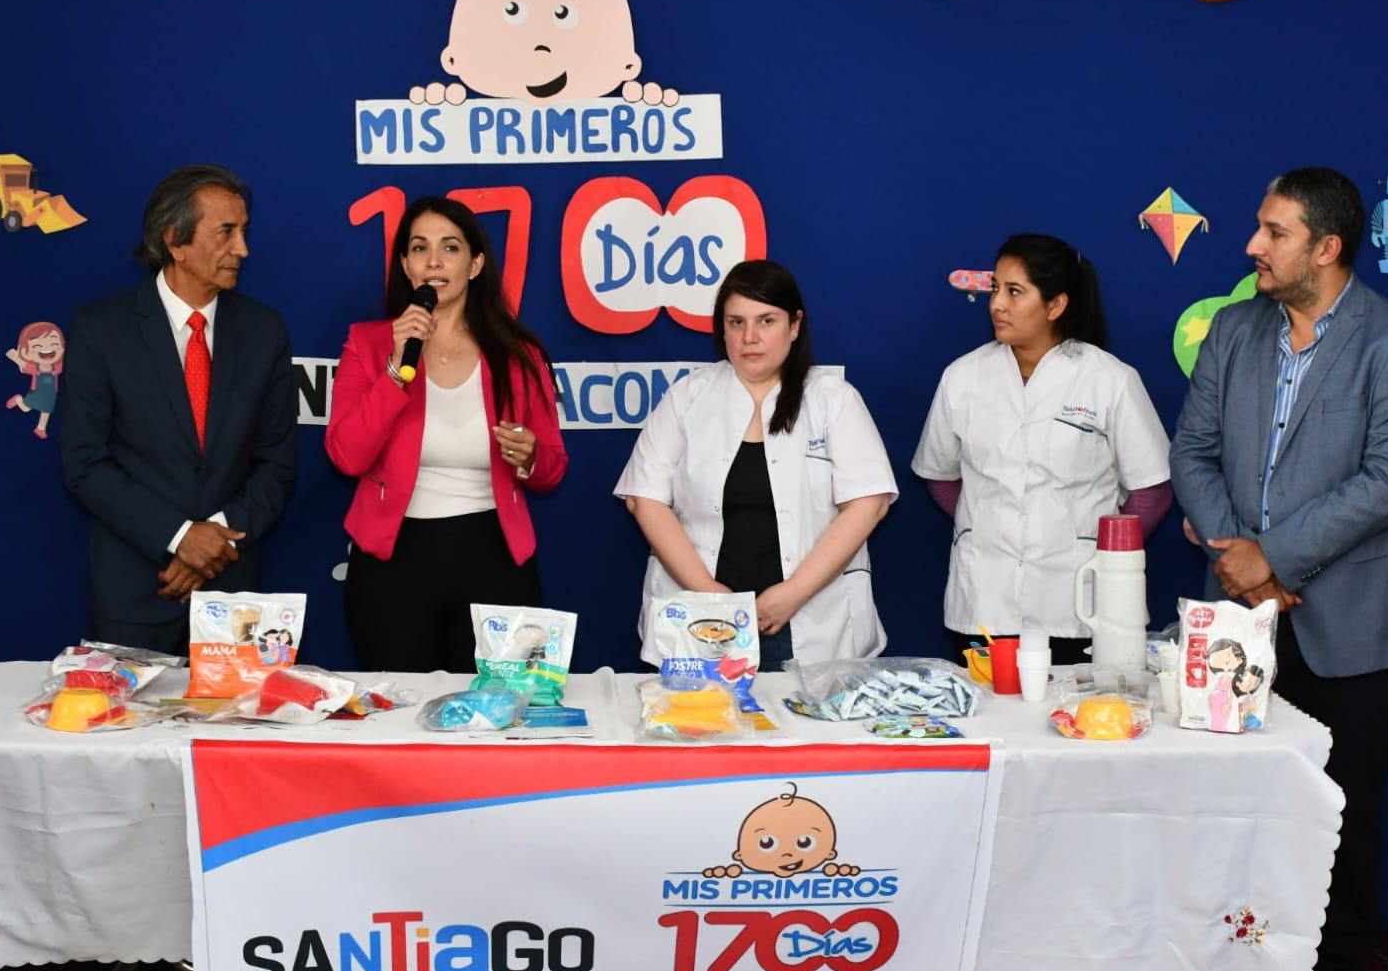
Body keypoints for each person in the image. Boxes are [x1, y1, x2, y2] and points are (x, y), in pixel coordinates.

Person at [1165, 167, 1388, 971]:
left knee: (1341, 810)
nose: (1252, 245)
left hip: (1352, 625)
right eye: (1258, 227)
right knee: (1230, 805)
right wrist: (1239, 561)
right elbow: (1192, 451)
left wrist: (1274, 556)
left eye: (1273, 232)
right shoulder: (1233, 329)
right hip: (1237, 618)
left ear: (1325, 248)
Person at [60, 164, 298, 655]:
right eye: (226, 232)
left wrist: (213, 544)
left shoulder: (264, 331)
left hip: (233, 597)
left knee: (235, 712)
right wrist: (179, 537)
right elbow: (85, 464)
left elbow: (276, 464)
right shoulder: (101, 329)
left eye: (244, 231)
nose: (243, 249)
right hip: (136, 592)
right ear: (175, 240)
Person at [614, 259, 896, 671]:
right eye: (736, 323)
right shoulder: (687, 397)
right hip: (702, 616)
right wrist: (709, 594)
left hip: (809, 617)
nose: (750, 337)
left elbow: (869, 504)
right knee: (700, 713)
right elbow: (645, 499)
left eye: (766, 320)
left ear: (794, 325)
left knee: (804, 714)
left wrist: (793, 594)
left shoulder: (833, 399)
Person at [326, 195, 565, 672]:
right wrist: (396, 368)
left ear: (475, 265)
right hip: (393, 563)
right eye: (420, 248)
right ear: (405, 264)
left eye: (450, 248)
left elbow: (553, 467)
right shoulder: (368, 344)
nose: (433, 261)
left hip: (494, 556)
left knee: (497, 709)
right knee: (399, 709)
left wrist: (530, 457)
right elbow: (346, 456)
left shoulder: (518, 354)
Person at [912, 233, 1173, 667]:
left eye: (1015, 291)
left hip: (1080, 604)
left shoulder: (1109, 379)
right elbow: (940, 476)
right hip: (985, 600)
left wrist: (1106, 558)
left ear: (1055, 305)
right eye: (995, 288)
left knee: (1081, 709)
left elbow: (1152, 490)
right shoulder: (963, 376)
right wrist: (986, 525)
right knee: (991, 709)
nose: (997, 304)